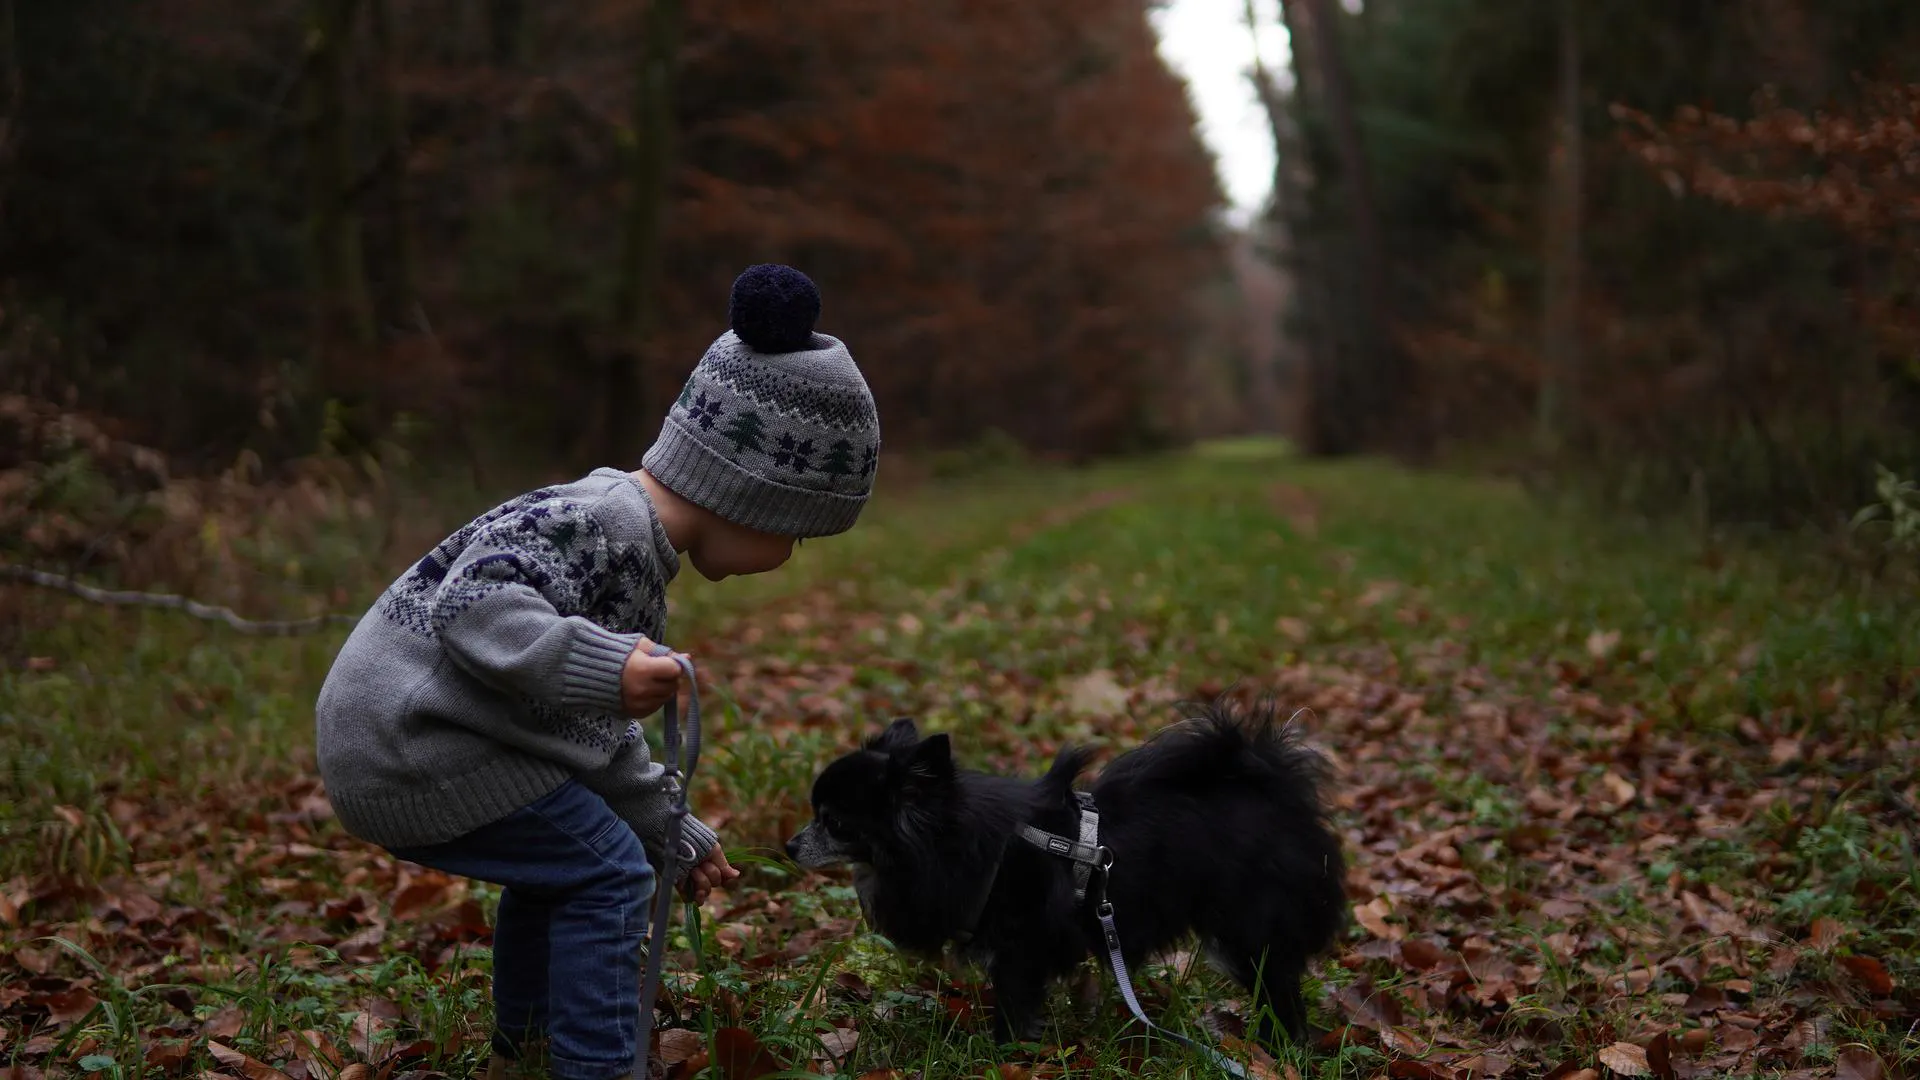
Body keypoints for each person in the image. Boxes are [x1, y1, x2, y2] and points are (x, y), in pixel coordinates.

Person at [314, 264, 881, 1080]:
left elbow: (582, 738)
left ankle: (530, 1046)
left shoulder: (627, 546)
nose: (788, 557)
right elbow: (473, 605)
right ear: (752, 496)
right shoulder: (597, 525)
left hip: (426, 741)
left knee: (568, 863)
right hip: (410, 742)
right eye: (798, 533)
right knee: (606, 876)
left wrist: (669, 827)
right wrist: (605, 665)